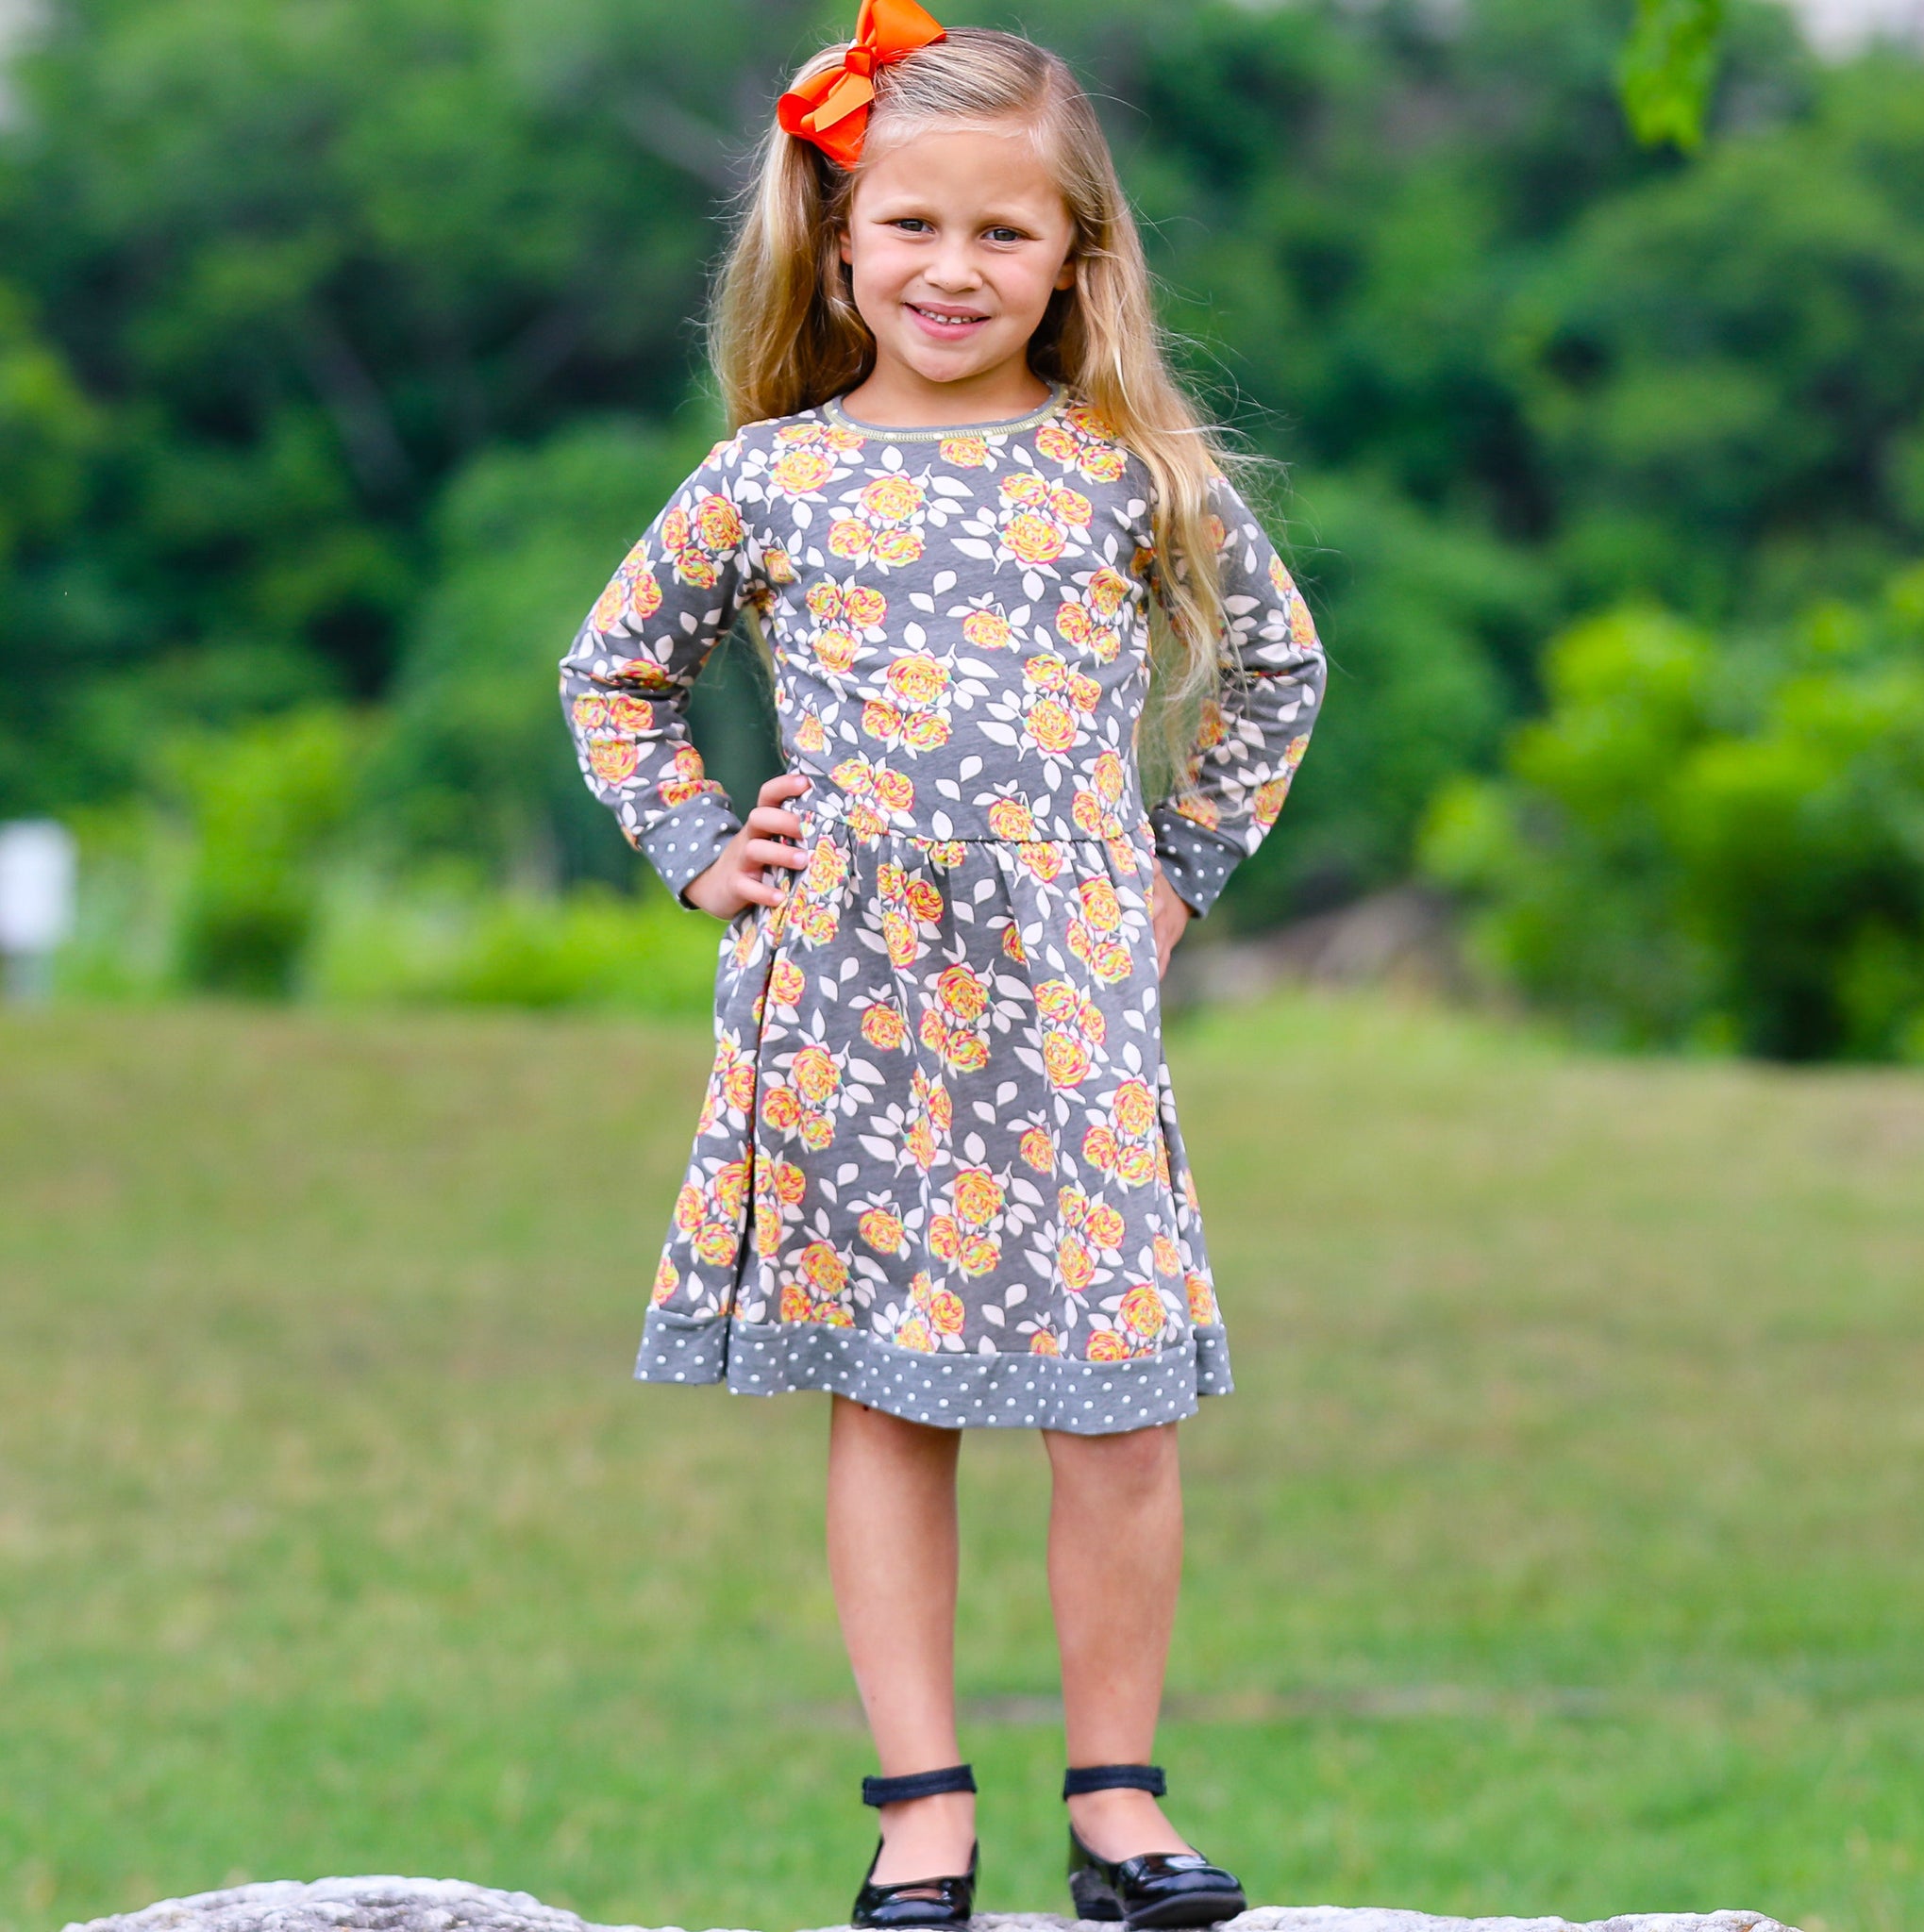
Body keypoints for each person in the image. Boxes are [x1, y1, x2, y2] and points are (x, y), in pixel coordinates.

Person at [559, 4, 1326, 1924]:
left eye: (1003, 231)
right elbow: (613, 674)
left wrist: (1174, 875)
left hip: (1066, 1006)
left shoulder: (1127, 471)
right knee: (891, 1400)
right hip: (850, 1001)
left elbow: (1278, 669)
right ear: (840, 243)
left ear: (1076, 257)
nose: (952, 268)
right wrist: (699, 845)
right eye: (911, 224)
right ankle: (921, 1808)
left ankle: (1120, 1806)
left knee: (1115, 1403)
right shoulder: (770, 478)